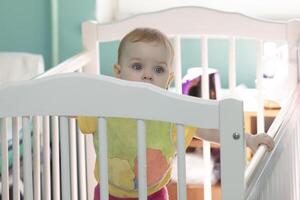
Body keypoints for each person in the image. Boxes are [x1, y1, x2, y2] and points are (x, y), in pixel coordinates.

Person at [78, 28, 274, 200]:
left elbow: (209, 130)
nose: (148, 75)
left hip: (154, 194)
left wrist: (248, 139)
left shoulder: (172, 111)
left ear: (169, 79)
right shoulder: (104, 107)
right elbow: (73, 109)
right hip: (108, 194)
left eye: (158, 69)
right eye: (137, 66)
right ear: (118, 72)